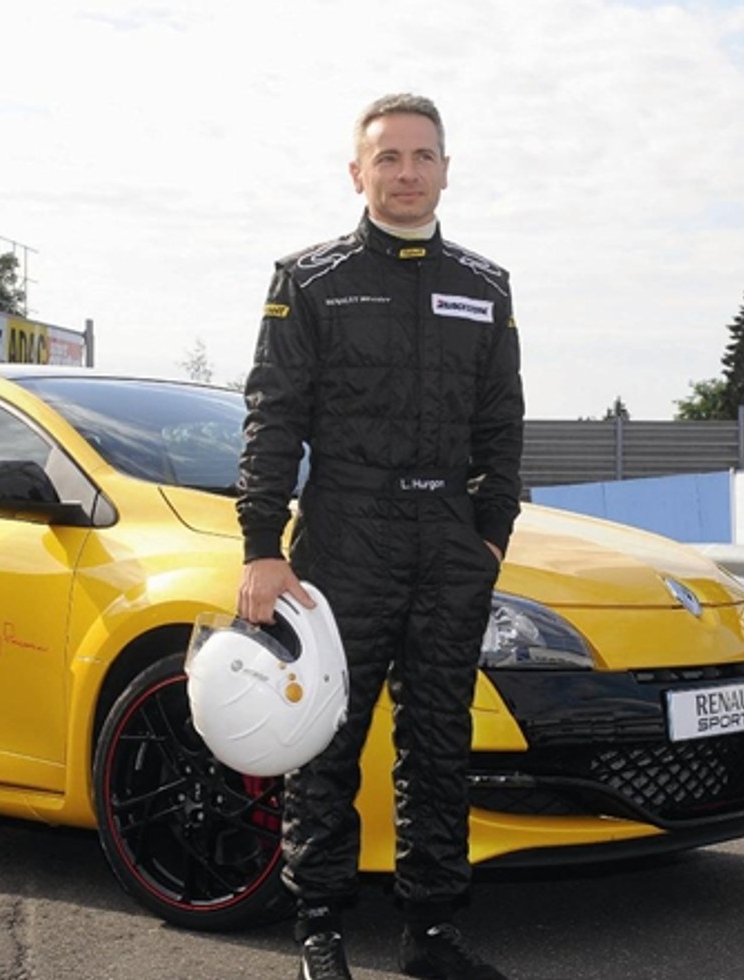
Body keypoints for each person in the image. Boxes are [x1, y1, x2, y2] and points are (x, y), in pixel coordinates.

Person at [236, 93, 524, 980]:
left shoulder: (486, 286)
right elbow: (273, 417)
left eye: (422, 156)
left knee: (438, 742)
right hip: (344, 540)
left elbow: (501, 425)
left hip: (448, 545)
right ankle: (320, 930)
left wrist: (490, 536)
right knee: (325, 738)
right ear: (357, 172)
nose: (406, 173)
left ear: (446, 170)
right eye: (388, 158)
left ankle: (430, 930)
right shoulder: (310, 279)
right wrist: (261, 544)